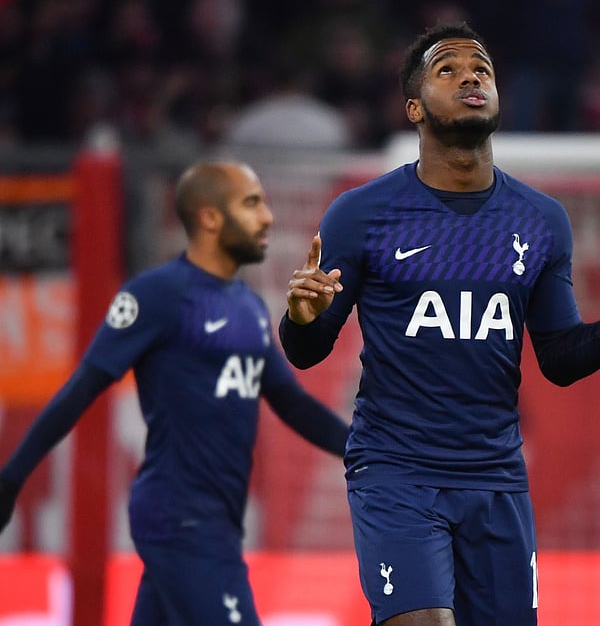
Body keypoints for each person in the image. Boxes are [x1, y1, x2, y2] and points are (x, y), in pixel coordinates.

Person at [278, 21, 600, 626]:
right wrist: (302, 318)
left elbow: (561, 359)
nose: (470, 75)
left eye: (482, 69)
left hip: (496, 478)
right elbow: (305, 351)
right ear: (414, 107)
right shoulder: (361, 215)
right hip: (397, 472)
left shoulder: (540, 220)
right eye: (448, 69)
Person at [0, 160, 350, 626]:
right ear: (209, 217)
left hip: (218, 523)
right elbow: (82, 389)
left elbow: (292, 404)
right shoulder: (158, 295)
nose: (267, 216)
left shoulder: (246, 304)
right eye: (251, 203)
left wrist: (368, 451)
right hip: (180, 518)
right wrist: (11, 479)